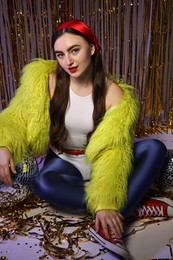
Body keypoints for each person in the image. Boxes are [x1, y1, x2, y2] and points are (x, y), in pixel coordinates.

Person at [0, 19, 171, 259]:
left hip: (104, 161)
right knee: (43, 183)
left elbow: (114, 153)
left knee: (154, 148)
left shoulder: (114, 94)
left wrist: (106, 200)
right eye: (60, 54)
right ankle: (130, 208)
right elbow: (16, 116)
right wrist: (4, 143)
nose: (67, 61)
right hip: (65, 160)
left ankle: (111, 215)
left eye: (74, 50)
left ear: (92, 48)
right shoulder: (45, 81)